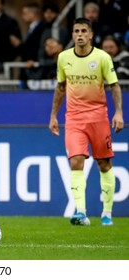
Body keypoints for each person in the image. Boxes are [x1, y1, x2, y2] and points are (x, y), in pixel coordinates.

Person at [49, 18, 124, 226]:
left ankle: (107, 213)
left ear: (91, 35)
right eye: (76, 31)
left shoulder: (102, 57)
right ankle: (81, 212)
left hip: (98, 117)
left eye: (83, 31)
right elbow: (61, 87)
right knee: (75, 161)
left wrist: (118, 113)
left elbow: (115, 86)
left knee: (104, 163)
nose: (80, 34)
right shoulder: (64, 58)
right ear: (72, 35)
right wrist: (53, 116)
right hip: (74, 118)